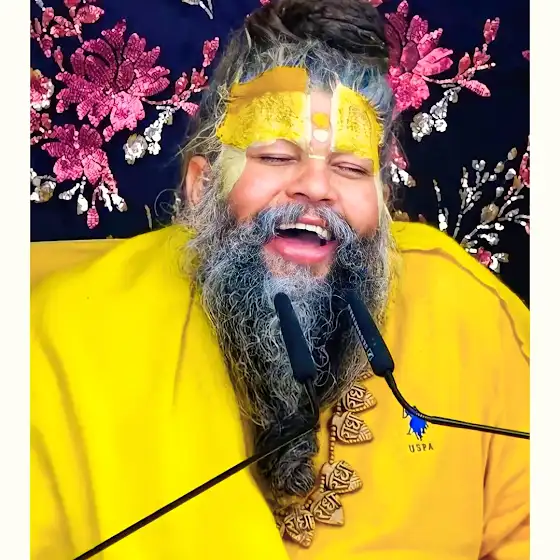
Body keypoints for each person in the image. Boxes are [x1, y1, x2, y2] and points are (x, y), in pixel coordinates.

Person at [30, 0, 529, 558]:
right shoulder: (65, 338)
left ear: (383, 200)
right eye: (274, 156)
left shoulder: (465, 313)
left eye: (350, 167)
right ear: (201, 186)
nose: (315, 187)